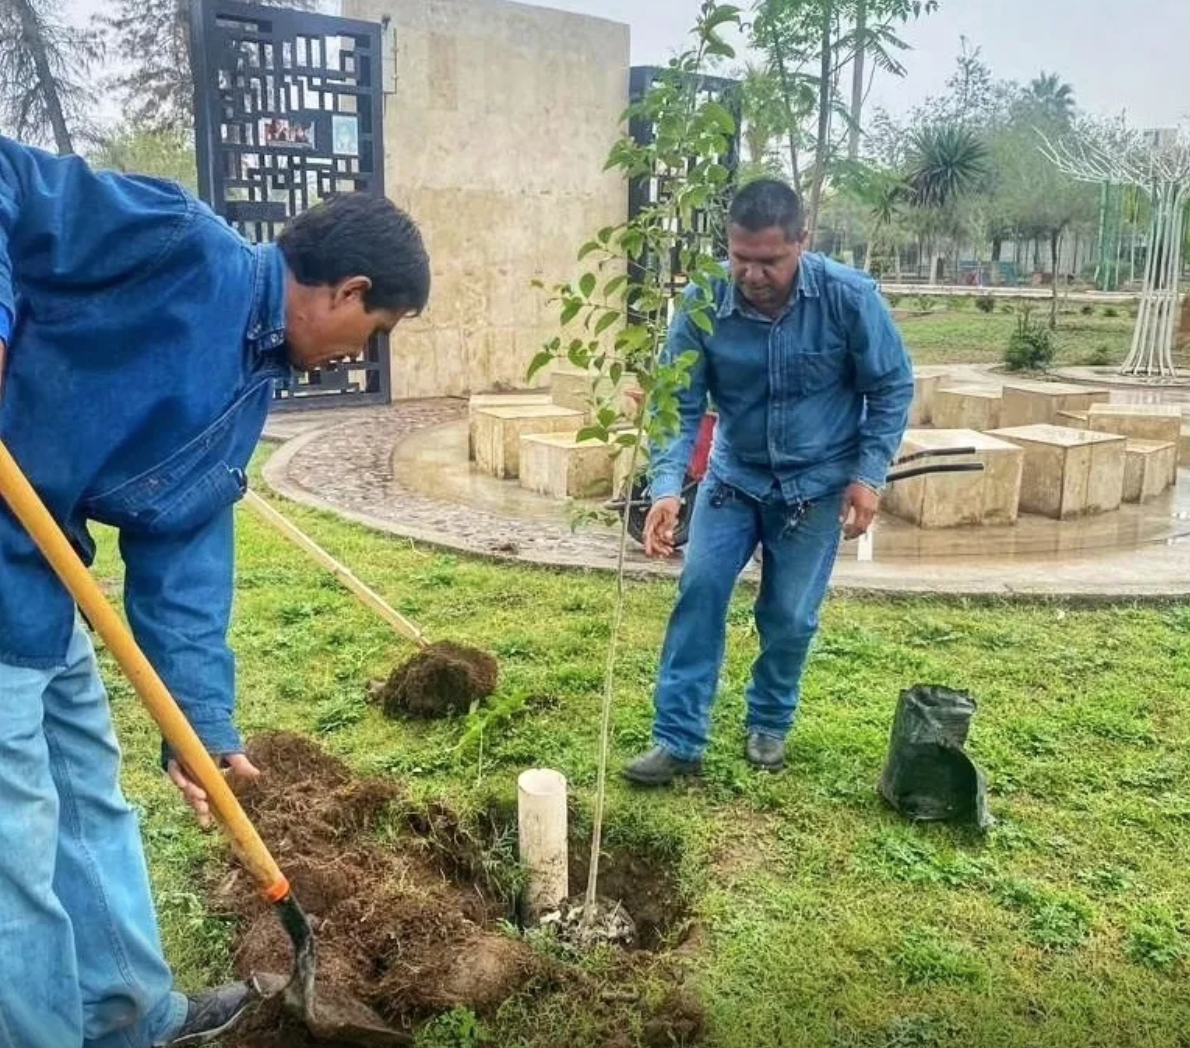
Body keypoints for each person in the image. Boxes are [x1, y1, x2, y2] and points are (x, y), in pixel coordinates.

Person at [0, 136, 429, 1048]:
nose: (364, 351)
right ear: (348, 292)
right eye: (378, 329)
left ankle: (129, 1018)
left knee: (87, 798)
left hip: (38, 580)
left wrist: (197, 725)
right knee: (13, 847)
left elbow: (183, 544)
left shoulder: (248, 381)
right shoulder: (173, 243)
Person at [623, 178, 913, 786]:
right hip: (733, 481)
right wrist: (668, 486)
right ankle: (678, 740)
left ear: (802, 241)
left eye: (769, 261)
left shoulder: (848, 298)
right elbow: (677, 400)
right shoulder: (705, 301)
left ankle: (769, 723)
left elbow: (889, 387)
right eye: (741, 259)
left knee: (788, 614)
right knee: (698, 593)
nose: (752, 275)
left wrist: (867, 475)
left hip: (814, 488)